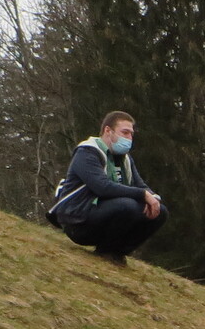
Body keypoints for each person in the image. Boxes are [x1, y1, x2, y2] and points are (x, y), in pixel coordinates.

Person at [49, 112, 166, 264]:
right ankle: (106, 251)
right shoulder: (86, 152)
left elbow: (140, 185)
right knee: (127, 206)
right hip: (78, 219)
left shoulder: (125, 160)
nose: (129, 138)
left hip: (105, 214)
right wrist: (143, 194)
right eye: (125, 132)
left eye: (131, 134)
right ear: (108, 131)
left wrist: (153, 198)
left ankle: (116, 253)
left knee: (160, 211)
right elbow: (102, 187)